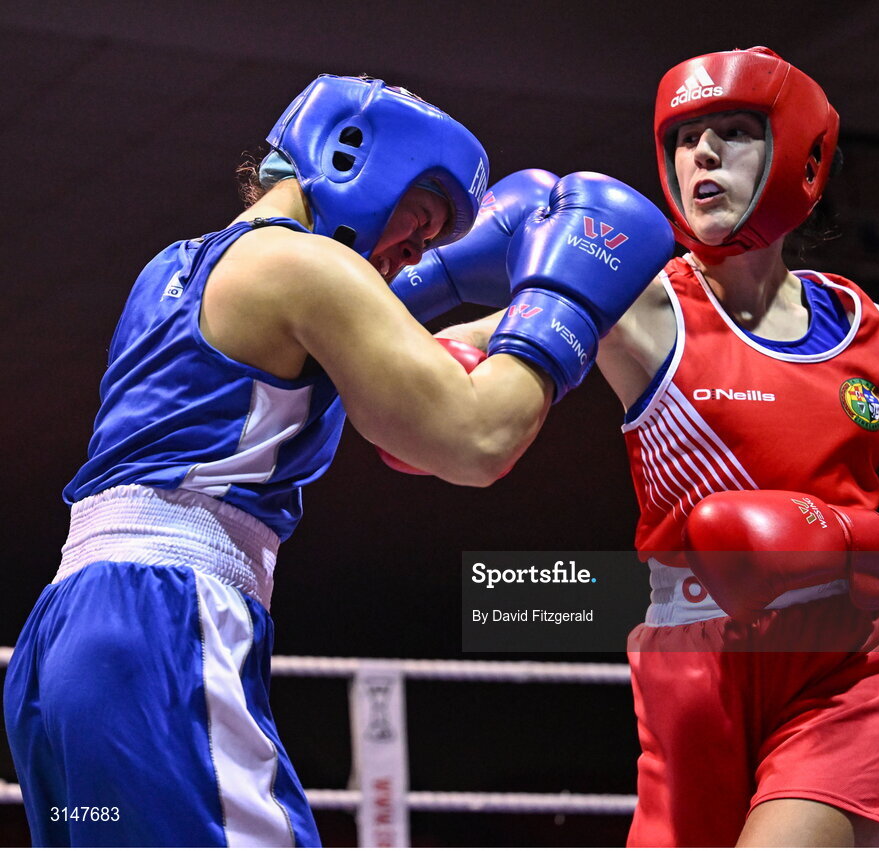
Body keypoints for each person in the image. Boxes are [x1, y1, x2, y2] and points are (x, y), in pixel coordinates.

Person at [2, 74, 673, 847]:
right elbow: (477, 439)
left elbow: (390, 354)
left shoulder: (179, 267)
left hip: (66, 641)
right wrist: (567, 299)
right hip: (163, 628)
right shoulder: (305, 268)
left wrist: (489, 317)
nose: (412, 257)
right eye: (417, 226)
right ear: (353, 162)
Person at [403, 47, 879, 847]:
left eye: (734, 132)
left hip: (851, 666)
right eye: (684, 138)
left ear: (801, 156)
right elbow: (446, 351)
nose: (700, 154)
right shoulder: (640, 302)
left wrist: (832, 542)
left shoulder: (872, 331)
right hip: (689, 669)